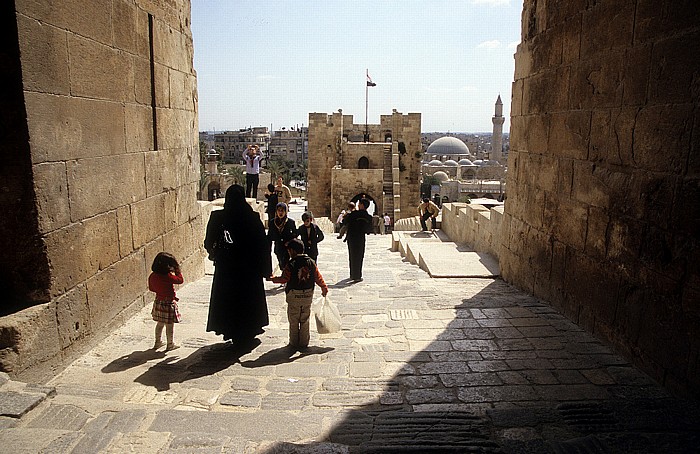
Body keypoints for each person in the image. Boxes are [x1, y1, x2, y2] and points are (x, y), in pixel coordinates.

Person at [204, 184, 272, 344]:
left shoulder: (218, 217)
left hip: (226, 268)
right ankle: (249, 329)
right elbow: (263, 245)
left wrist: (216, 255)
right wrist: (265, 269)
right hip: (249, 269)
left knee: (228, 299)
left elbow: (209, 242)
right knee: (248, 299)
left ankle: (229, 329)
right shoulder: (252, 218)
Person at [270, 239, 328, 350]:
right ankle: (303, 343)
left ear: (292, 251)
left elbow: (284, 278)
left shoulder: (291, 264)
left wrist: (273, 279)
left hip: (294, 296)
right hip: (307, 295)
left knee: (294, 319)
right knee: (305, 319)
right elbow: (318, 277)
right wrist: (324, 287)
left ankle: (294, 342)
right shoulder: (311, 262)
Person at [148, 252, 183, 351]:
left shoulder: (153, 276)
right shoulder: (168, 276)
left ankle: (157, 342)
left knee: (160, 323)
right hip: (168, 303)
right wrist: (177, 270)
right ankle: (170, 344)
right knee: (169, 324)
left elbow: (151, 288)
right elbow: (180, 280)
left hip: (159, 301)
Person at [342, 198, 373, 282]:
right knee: (359, 256)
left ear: (362, 205)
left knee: (352, 255)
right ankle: (358, 275)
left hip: (351, 238)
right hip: (360, 238)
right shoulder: (368, 217)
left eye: (359, 203)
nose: (358, 205)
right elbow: (369, 230)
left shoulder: (353, 214)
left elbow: (344, 222)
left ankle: (353, 274)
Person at [268, 202, 297, 271]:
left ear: (285, 211)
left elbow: (295, 234)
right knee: (281, 263)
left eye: (282, 210)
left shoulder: (290, 222)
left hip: (288, 247)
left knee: (286, 264)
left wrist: (290, 242)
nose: (280, 213)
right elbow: (270, 235)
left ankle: (286, 278)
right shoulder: (273, 222)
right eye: (279, 210)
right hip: (278, 247)